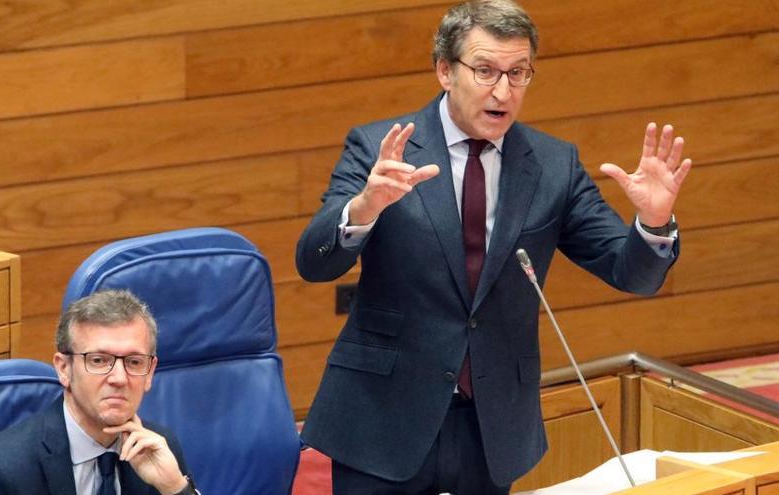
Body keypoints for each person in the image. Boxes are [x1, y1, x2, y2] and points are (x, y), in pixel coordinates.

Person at [295, 1, 692, 493]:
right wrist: (363, 209)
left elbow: (630, 271)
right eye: (485, 70)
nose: (503, 91)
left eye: (518, 73)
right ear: (445, 69)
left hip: (492, 424)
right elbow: (313, 262)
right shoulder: (381, 148)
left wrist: (653, 223)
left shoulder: (552, 165)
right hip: (384, 416)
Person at [0, 290, 199, 495]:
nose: (119, 378)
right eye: (98, 360)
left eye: (134, 362)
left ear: (150, 372)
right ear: (64, 369)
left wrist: (176, 489)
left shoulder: (159, 448)